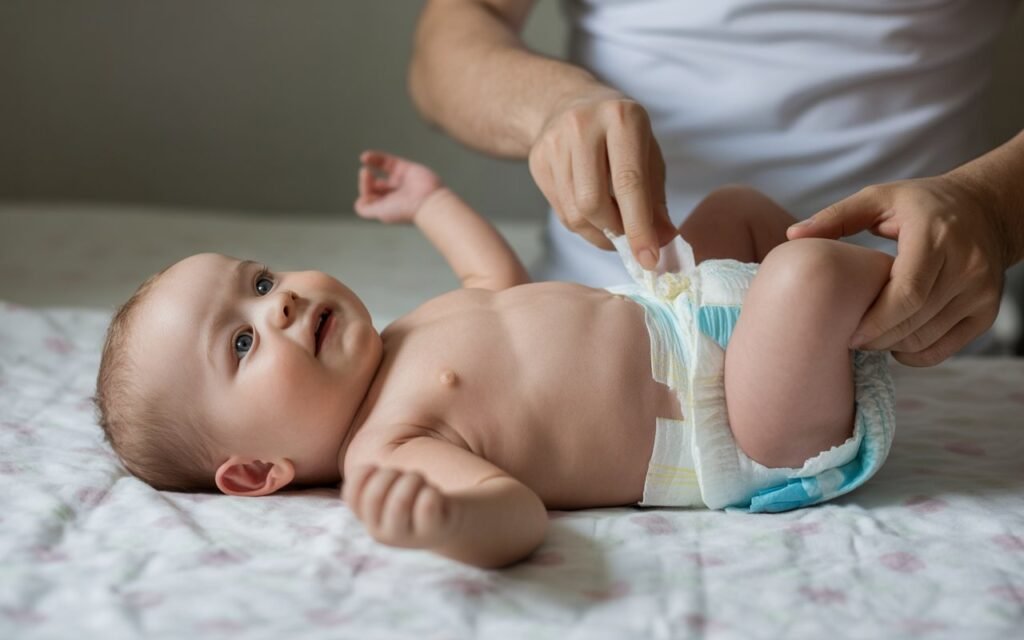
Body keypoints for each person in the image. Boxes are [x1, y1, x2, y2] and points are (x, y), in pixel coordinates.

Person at [95, 151, 896, 569]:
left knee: (736, 211)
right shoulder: (388, 448)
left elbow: (492, 281)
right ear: (255, 472)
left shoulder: (407, 335)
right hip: (735, 426)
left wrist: (429, 203)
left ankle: (849, 317)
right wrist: (451, 522)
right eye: (241, 343)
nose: (278, 305)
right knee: (805, 276)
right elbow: (511, 512)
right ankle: (908, 306)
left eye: (262, 281)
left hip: (684, 313)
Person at [407, 0, 1024, 368]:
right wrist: (549, 106)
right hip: (602, 310)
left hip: (918, 327)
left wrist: (996, 209)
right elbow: (450, 41)